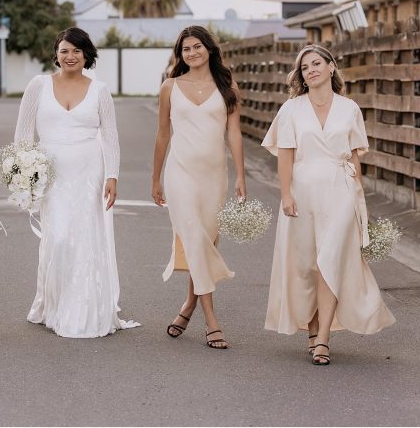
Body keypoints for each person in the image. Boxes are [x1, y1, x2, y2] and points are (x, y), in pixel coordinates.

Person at [262, 44, 395, 365]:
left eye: (317, 63)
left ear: (332, 67)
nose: (311, 70)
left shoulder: (349, 109)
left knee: (330, 262)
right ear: (301, 76)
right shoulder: (292, 109)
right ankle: (312, 328)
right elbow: (285, 155)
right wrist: (286, 194)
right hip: (302, 190)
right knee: (306, 264)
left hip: (340, 191)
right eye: (305, 67)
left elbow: (353, 159)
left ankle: (323, 339)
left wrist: (359, 203)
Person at [14, 27, 139, 338]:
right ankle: (53, 304)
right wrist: (24, 173)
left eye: (76, 51)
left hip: (89, 171)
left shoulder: (100, 91)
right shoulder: (38, 86)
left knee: (84, 236)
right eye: (64, 50)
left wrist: (113, 175)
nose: (70, 56)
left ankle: (82, 308)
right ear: (56, 54)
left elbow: (110, 136)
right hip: (49, 172)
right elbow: (23, 134)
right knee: (57, 237)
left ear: (87, 55)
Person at [151, 25, 246, 350]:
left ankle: (187, 307)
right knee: (192, 237)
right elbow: (162, 134)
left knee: (203, 244)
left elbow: (234, 132)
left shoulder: (226, 85)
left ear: (209, 49)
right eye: (185, 49)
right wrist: (155, 178)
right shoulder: (170, 86)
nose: (191, 53)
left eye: (196, 47)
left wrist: (241, 176)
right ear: (180, 55)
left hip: (214, 176)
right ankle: (211, 321)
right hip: (180, 174)